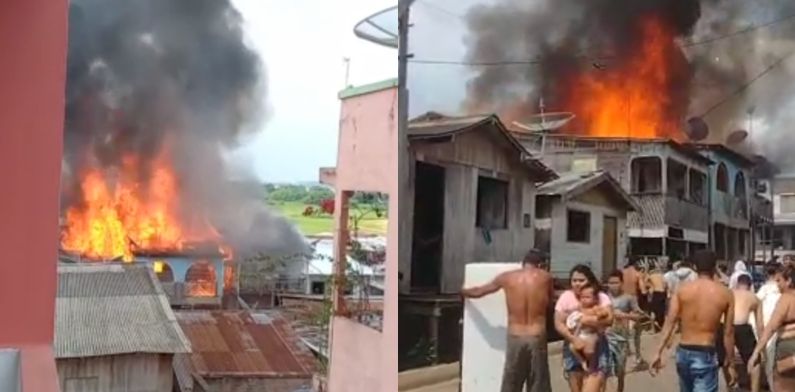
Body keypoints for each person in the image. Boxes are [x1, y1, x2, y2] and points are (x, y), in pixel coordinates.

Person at [460, 249, 553, 392]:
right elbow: (550, 300)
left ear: (524, 263)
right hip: (537, 335)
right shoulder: (545, 277)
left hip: (515, 335)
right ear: (540, 264)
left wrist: (463, 292)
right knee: (537, 381)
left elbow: (479, 291)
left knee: (512, 381)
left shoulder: (506, 277)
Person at [650, 250, 736, 392]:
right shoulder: (725, 294)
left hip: (683, 351)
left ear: (694, 267)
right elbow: (728, 332)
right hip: (705, 351)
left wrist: (658, 352)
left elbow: (669, 323)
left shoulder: (682, 290)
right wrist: (731, 364)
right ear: (715, 267)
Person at [555, 264, 614, 392]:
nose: (577, 284)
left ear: (590, 280)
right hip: (573, 347)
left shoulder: (600, 296)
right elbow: (558, 323)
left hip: (596, 346)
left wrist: (587, 320)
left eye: (581, 280)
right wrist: (573, 339)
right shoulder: (566, 297)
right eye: (574, 280)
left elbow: (609, 319)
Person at [748, 266, 795, 392]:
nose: (777, 284)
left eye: (779, 281)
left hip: (788, 349)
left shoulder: (787, 299)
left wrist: (756, 351)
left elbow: (771, 327)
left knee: (783, 385)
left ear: (789, 281)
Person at [605, 270, 644, 392]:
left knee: (620, 371)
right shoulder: (603, 298)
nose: (613, 285)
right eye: (610, 283)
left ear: (621, 283)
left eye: (616, 282)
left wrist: (624, 315)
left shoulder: (629, 298)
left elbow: (639, 316)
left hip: (621, 339)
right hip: (605, 338)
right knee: (603, 370)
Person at [566, 284, 611, 371]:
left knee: (589, 351)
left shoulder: (595, 308)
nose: (584, 299)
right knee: (572, 347)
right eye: (582, 297)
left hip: (591, 333)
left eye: (587, 297)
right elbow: (574, 316)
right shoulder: (580, 308)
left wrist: (600, 314)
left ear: (595, 299)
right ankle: (582, 361)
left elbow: (605, 313)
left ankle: (591, 364)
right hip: (581, 333)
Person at [732, 274, 763, 392]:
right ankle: (754, 389)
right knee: (755, 360)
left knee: (726, 358)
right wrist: (761, 348)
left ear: (737, 284)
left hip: (725, 326)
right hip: (742, 326)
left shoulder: (729, 293)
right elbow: (760, 325)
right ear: (750, 286)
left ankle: (731, 385)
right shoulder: (754, 298)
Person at [756, 262, 782, 389]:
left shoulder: (762, 291)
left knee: (770, 363)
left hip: (767, 331)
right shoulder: (783, 291)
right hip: (781, 330)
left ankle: (773, 387)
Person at [623, 257, 647, 367]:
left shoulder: (621, 273)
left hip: (622, 301)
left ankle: (626, 351)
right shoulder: (637, 274)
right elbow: (643, 290)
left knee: (624, 328)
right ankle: (636, 358)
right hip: (633, 302)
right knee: (635, 332)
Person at [646, 264, 667, 333]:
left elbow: (646, 284)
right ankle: (663, 328)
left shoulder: (650, 276)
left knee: (653, 312)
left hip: (656, 293)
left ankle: (653, 329)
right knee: (662, 311)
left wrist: (650, 287)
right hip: (663, 293)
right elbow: (665, 284)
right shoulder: (661, 275)